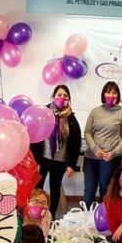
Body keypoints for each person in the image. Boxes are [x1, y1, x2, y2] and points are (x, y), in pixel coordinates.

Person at [33, 84, 82, 217]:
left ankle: (51, 215)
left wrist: (71, 165)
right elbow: (35, 136)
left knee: (55, 189)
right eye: (59, 94)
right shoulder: (44, 114)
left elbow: (76, 143)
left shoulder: (71, 118)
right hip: (42, 160)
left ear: (69, 99)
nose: (62, 97)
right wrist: (36, 161)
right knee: (37, 188)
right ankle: (35, 214)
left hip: (59, 162)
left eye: (65, 95)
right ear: (53, 97)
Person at [83, 81, 122, 208]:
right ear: (103, 94)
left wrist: (114, 153)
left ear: (118, 96)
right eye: (108, 92)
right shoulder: (95, 112)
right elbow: (87, 132)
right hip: (91, 157)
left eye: (114, 92)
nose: (111, 95)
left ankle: (103, 218)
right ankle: (85, 218)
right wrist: (95, 149)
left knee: (105, 190)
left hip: (110, 159)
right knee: (89, 191)